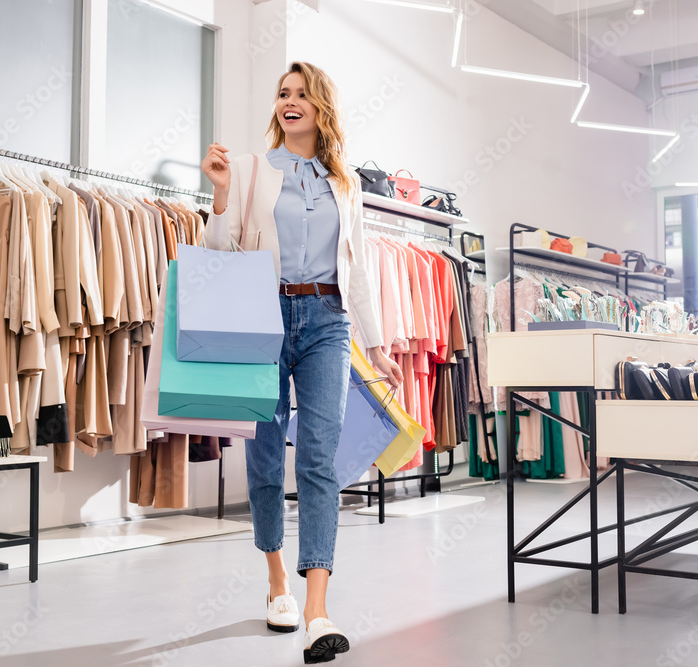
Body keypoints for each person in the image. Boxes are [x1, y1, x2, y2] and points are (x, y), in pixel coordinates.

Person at [201, 61, 403, 664]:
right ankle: (277, 584)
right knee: (264, 459)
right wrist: (217, 194)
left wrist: (376, 343)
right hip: (262, 319)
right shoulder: (248, 169)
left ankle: (317, 611)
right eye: (283, 95)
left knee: (319, 459)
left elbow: (358, 267)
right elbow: (219, 254)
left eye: (301, 94)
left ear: (321, 107)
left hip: (329, 322)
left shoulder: (345, 183)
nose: (290, 103)